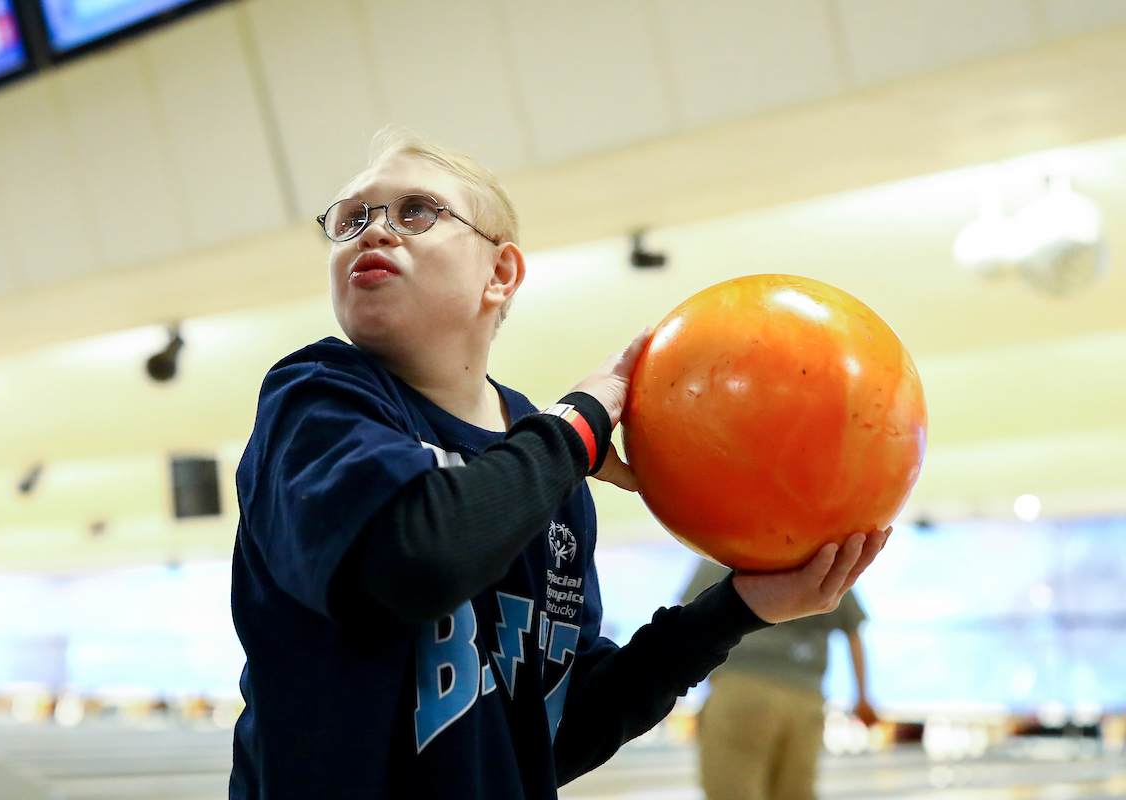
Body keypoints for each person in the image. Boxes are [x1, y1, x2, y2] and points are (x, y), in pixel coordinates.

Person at [228, 127, 890, 800]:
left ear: (501, 272)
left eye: (416, 211)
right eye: (350, 219)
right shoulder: (318, 398)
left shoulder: (548, 472)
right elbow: (413, 560)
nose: (373, 232)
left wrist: (737, 608)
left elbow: (554, 732)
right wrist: (576, 427)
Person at [681, 559, 879, 800]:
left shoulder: (728, 545)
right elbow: (853, 633)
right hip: (805, 700)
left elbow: (687, 619)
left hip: (742, 689)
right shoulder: (824, 555)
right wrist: (863, 697)